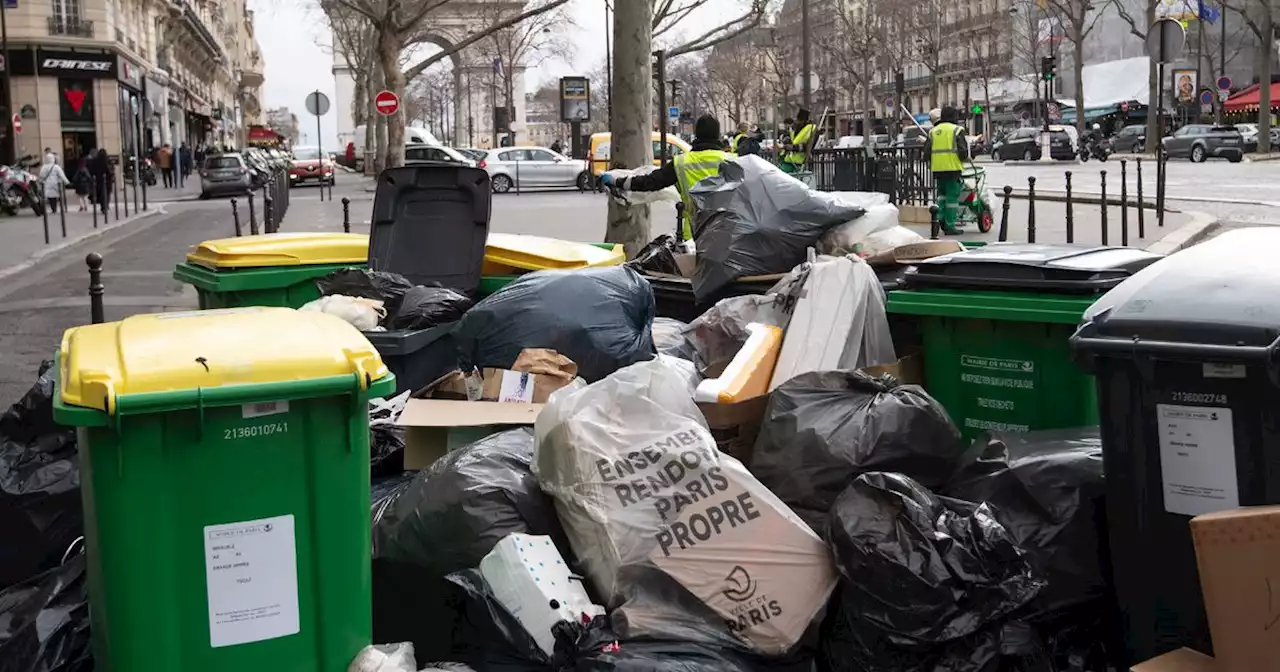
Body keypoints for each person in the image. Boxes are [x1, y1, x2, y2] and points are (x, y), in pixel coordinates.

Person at [598, 114, 733, 241]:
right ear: (717, 135)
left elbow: (650, 182)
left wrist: (618, 181)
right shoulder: (734, 162)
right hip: (727, 234)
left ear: (696, 134)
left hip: (693, 236)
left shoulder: (681, 163)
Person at [925, 105, 970, 235]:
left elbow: (926, 152)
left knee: (941, 196)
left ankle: (939, 220)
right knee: (952, 198)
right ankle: (950, 226)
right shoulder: (957, 130)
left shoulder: (933, 131)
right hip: (953, 168)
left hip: (937, 169)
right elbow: (963, 152)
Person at [88, 148, 112, 216]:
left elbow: (91, 170)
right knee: (106, 194)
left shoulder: (94, 161)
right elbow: (109, 171)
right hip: (106, 181)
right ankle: (106, 206)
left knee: (101, 194)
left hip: (98, 181)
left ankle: (103, 207)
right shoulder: (106, 161)